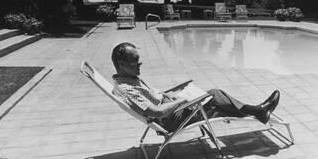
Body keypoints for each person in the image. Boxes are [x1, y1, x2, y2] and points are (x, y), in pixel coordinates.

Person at [111, 42, 280, 131]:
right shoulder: (127, 88)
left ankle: (257, 111)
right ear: (122, 64)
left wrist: (168, 96)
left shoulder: (128, 79)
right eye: (135, 60)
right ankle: (258, 111)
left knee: (218, 103)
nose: (139, 63)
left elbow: (153, 101)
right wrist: (182, 100)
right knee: (214, 96)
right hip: (170, 119)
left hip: (171, 111)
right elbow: (156, 112)